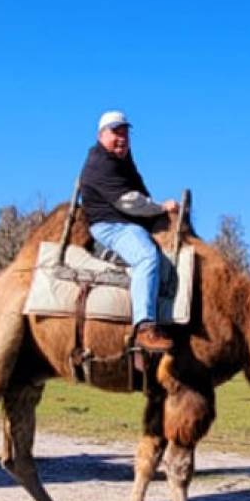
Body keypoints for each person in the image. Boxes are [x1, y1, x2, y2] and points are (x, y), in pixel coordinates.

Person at [79, 111, 178, 352]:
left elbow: (139, 188)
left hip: (129, 222)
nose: (121, 138)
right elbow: (129, 201)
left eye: (124, 132)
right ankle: (144, 326)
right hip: (111, 225)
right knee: (146, 256)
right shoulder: (99, 164)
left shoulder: (122, 159)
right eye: (115, 132)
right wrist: (160, 207)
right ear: (101, 135)